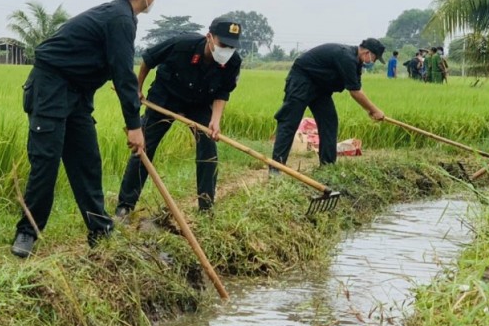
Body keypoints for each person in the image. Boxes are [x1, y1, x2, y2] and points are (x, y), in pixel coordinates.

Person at [11, 0, 160, 258]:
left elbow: (116, 69)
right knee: (47, 162)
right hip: (51, 88)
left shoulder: (121, 17)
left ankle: (99, 229)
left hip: (77, 94)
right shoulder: (120, 18)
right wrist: (134, 126)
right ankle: (27, 232)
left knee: (87, 161)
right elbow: (122, 73)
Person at [115, 18, 243, 219]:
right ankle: (125, 206)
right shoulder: (182, 45)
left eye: (231, 47)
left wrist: (215, 120)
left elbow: (222, 92)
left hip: (199, 103)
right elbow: (148, 60)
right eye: (223, 45)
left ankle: (206, 208)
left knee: (208, 149)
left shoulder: (233, 62)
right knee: (144, 146)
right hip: (166, 97)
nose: (226, 50)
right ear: (209, 37)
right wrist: (137, 90)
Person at [269, 38, 386, 167]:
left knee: (329, 121)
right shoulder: (347, 57)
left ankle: (327, 166)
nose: (373, 62)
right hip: (302, 80)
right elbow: (355, 91)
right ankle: (276, 167)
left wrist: (370, 110)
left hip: (320, 88)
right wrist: (374, 110)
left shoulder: (356, 63)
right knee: (289, 121)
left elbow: (356, 86)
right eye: (375, 58)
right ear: (367, 52)